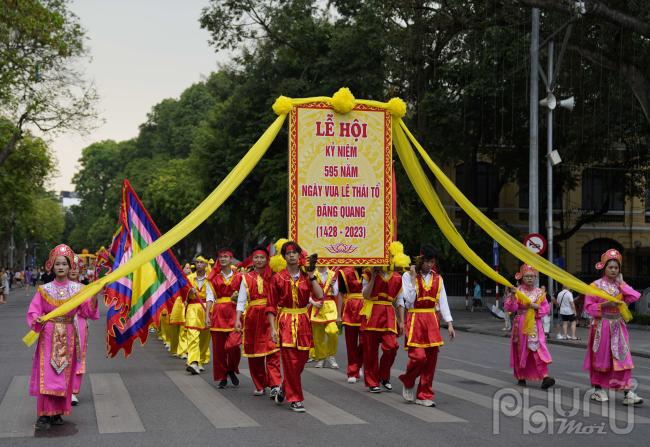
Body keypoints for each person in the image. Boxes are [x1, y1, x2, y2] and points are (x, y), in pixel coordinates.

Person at [26, 244, 98, 430]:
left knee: (63, 374)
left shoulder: (78, 289)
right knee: (48, 373)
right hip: (49, 335)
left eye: (64, 264)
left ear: (69, 267)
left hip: (68, 333)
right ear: (52, 266)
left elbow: (87, 311)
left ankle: (57, 412)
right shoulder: (44, 290)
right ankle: (43, 415)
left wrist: (94, 296)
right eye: (57, 263)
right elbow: (34, 312)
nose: (60, 267)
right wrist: (38, 319)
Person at [268, 241, 323, 412]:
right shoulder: (277, 278)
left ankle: (284, 388)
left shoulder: (307, 276)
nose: (291, 255)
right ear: (283, 257)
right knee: (290, 362)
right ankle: (295, 399)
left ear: (300, 255)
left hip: (303, 320)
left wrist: (312, 275)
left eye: (294, 252)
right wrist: (272, 328)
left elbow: (320, 295)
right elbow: (270, 305)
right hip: (285, 320)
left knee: (302, 359)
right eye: (288, 253)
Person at [583, 249, 643, 405]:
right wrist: (605, 305)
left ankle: (627, 392)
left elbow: (635, 296)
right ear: (604, 267)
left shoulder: (620, 285)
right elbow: (589, 307)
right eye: (610, 267)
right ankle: (598, 388)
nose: (613, 270)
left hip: (618, 326)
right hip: (601, 326)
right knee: (600, 358)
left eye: (616, 267)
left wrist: (622, 283)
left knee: (622, 357)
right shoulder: (595, 286)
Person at [399, 244, 455, 407]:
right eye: (427, 262)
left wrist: (449, 323)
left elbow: (443, 302)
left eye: (432, 262)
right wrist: (411, 277)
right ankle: (408, 380)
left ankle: (424, 394)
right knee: (418, 357)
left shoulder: (438, 278)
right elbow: (408, 299)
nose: (430, 265)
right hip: (415, 318)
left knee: (431, 360)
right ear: (421, 260)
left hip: (431, 319)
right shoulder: (408, 276)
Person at [360, 243, 408, 394]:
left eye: (391, 256)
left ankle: (383, 375)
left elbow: (400, 301)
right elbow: (366, 295)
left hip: (388, 313)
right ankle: (372, 381)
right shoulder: (368, 273)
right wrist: (374, 276)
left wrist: (401, 321)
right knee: (370, 350)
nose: (388, 259)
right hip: (372, 311)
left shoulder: (397, 277)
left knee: (392, 347)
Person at [234, 246, 281, 396]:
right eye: (256, 257)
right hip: (253, 318)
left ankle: (275, 384)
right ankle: (260, 384)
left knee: (273, 350)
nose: (259, 260)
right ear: (252, 259)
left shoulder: (274, 276)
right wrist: (237, 319)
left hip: (271, 316)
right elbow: (241, 300)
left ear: (267, 259)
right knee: (255, 353)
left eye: (262, 257)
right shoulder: (246, 278)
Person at [503, 264, 555, 389]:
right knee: (521, 349)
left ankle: (545, 376)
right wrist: (512, 296)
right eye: (527, 276)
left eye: (532, 276)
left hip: (535, 324)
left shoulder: (539, 293)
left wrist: (538, 308)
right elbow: (510, 308)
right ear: (522, 278)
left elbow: (546, 308)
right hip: (521, 323)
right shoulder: (518, 291)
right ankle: (521, 376)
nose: (530, 278)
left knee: (537, 349)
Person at [207, 248, 242, 388]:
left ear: (231, 259)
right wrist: (206, 315)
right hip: (218, 314)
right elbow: (210, 297)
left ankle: (231, 368)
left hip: (234, 313)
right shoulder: (213, 278)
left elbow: (245, 296)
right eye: (220, 257)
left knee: (233, 345)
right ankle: (222, 376)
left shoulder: (240, 276)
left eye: (226, 256)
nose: (223, 259)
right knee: (219, 349)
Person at [69, 255, 100, 406]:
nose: (74, 270)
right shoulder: (56, 287)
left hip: (79, 325)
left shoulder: (83, 289)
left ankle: (73, 391)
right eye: (71, 266)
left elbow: (88, 311)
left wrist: (94, 295)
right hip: (60, 327)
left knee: (77, 356)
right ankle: (60, 389)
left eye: (77, 267)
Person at [184, 256, 213, 375]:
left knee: (205, 337)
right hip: (193, 308)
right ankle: (193, 362)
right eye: (197, 262)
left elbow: (214, 295)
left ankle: (200, 360)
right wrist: (189, 292)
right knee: (192, 335)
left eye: (202, 262)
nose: (199, 264)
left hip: (207, 308)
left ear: (206, 265)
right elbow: (181, 294)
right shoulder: (189, 279)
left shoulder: (211, 279)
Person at [310, 265, 341, 369]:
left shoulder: (333, 274)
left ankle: (331, 355)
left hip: (330, 307)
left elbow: (336, 292)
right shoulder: (311, 274)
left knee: (332, 331)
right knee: (318, 335)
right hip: (316, 306)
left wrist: (332, 286)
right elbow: (306, 292)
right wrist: (314, 303)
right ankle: (321, 358)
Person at [339, 266, 365, 383]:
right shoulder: (344, 272)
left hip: (366, 308)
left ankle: (358, 364)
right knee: (351, 343)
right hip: (350, 308)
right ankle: (352, 371)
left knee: (366, 342)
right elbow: (340, 293)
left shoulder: (370, 269)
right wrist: (339, 315)